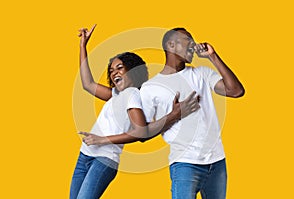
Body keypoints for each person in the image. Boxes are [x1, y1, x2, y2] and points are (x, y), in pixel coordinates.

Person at [70, 25, 200, 199]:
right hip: (85, 154)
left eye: (119, 68)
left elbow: (140, 132)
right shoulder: (116, 95)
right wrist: (82, 46)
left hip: (104, 159)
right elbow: (88, 84)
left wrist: (102, 140)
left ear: (131, 69)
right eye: (111, 70)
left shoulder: (133, 94)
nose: (114, 72)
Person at [139, 28, 245, 199]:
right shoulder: (151, 88)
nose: (193, 44)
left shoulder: (201, 73)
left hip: (217, 161)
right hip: (185, 164)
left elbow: (236, 91)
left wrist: (213, 56)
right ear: (171, 44)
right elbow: (142, 133)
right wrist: (175, 114)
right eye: (187, 39)